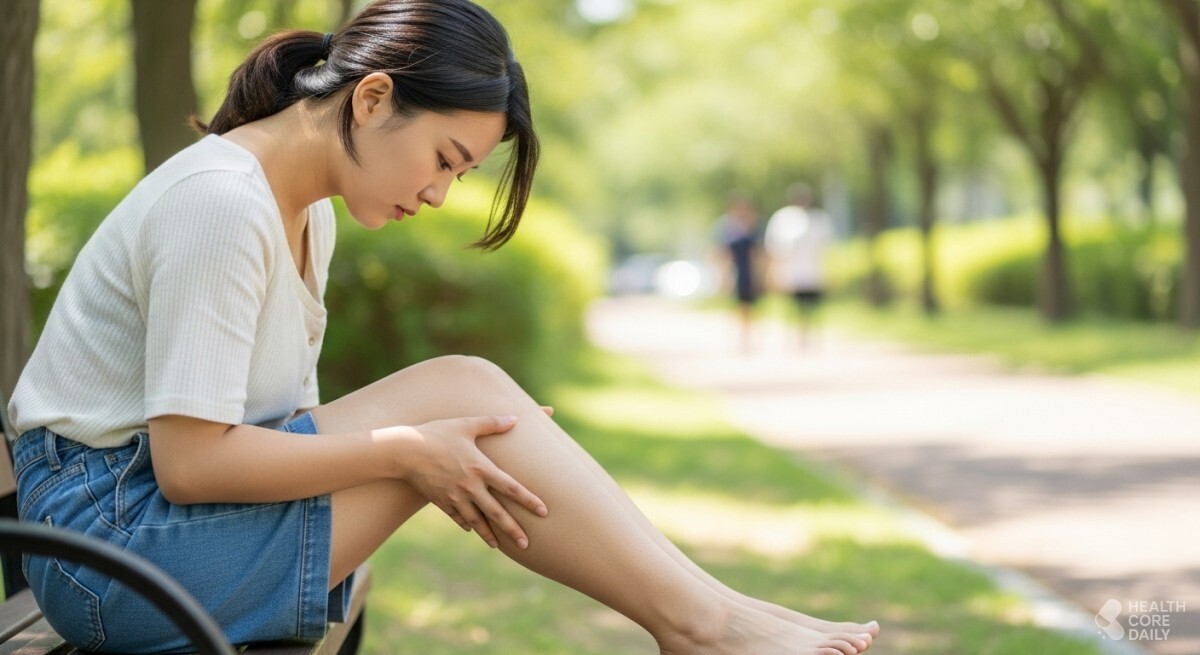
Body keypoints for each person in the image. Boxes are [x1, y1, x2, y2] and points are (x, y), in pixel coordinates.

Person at [7, 2, 879, 653]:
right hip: (107, 556)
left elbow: (259, 440)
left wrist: (418, 442)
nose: (436, 196)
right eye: (445, 162)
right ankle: (705, 623)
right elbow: (192, 463)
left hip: (143, 530)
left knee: (469, 390)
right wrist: (406, 451)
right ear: (374, 98)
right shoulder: (220, 203)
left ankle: (709, 611)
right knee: (456, 416)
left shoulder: (307, 211)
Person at [765, 184, 835, 349]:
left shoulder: (820, 219)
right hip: (791, 273)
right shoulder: (782, 218)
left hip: (813, 272)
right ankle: (794, 338)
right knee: (792, 308)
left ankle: (811, 338)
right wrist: (773, 272)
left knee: (813, 307)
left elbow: (827, 249)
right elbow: (774, 249)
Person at [714, 192, 763, 353]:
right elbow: (722, 253)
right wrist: (723, 276)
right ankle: (736, 338)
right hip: (734, 271)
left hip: (748, 271)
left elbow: (757, 253)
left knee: (748, 306)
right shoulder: (726, 227)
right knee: (735, 306)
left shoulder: (752, 227)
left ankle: (746, 338)